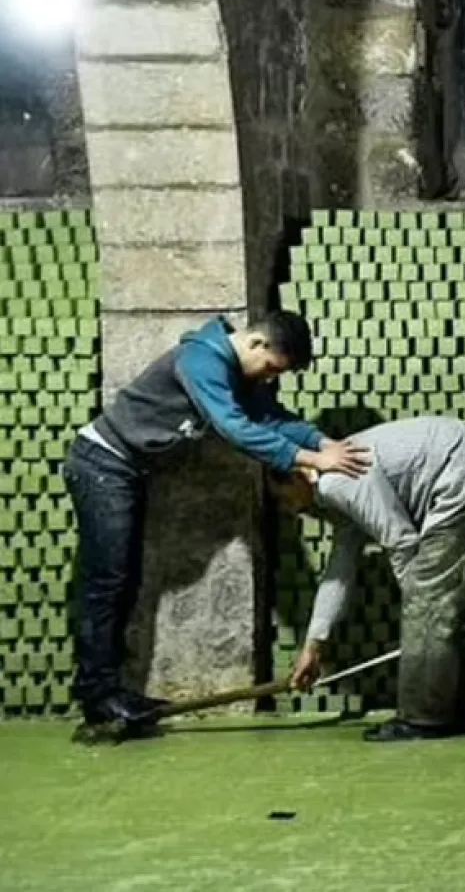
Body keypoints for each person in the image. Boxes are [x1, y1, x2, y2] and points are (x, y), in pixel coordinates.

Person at [64, 312, 368, 735]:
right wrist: (313, 461)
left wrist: (323, 442)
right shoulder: (201, 361)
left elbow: (271, 418)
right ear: (257, 344)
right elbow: (233, 427)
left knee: (125, 581)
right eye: (272, 369)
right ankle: (98, 697)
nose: (268, 379)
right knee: (108, 582)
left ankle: (110, 693)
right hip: (101, 464)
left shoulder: (240, 375)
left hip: (126, 471)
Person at [270, 415, 465, 742]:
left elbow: (401, 541)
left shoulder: (337, 481)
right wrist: (314, 646)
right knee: (442, 601)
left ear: (299, 474)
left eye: (283, 497)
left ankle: (423, 719)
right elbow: (340, 571)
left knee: (429, 600)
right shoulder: (335, 485)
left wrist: (420, 607)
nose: (290, 510)